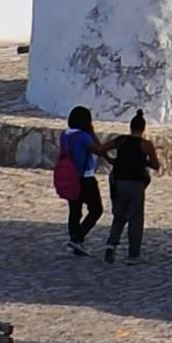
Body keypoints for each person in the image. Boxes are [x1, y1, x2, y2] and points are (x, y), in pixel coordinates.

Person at [101, 113, 162, 265]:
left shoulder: (121, 140)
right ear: (143, 128)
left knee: (119, 215)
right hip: (136, 183)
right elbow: (156, 165)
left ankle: (111, 245)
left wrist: (112, 160)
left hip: (119, 181)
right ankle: (133, 255)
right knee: (135, 218)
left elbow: (101, 148)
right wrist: (143, 161)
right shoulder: (146, 145)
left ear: (130, 127)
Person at [61, 105, 104, 255]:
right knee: (96, 209)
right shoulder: (84, 137)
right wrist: (92, 132)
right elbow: (99, 149)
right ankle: (78, 238)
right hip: (85, 178)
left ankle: (75, 239)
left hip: (70, 177)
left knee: (74, 211)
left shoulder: (65, 135)